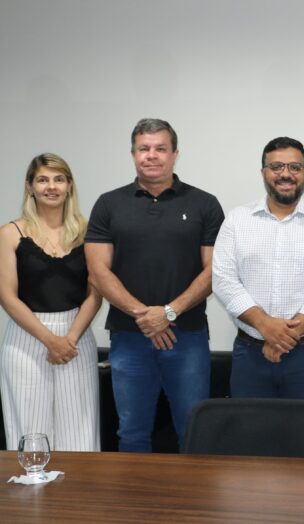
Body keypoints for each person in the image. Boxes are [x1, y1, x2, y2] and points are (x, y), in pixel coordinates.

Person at [85, 118, 225, 452]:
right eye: (144, 148)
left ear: (175, 153)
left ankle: (192, 491)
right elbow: (98, 271)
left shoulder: (204, 204)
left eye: (160, 148)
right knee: (131, 432)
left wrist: (169, 313)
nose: (152, 155)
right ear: (133, 154)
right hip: (129, 337)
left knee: (193, 430)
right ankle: (136, 491)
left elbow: (214, 270)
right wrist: (146, 316)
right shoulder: (108, 204)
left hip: (187, 335)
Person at [212, 137, 304, 410]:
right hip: (250, 354)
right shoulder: (237, 220)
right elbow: (224, 280)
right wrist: (265, 325)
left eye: (295, 167)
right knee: (249, 432)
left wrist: (282, 338)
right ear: (263, 172)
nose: (286, 174)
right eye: (276, 167)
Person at [0, 153, 101, 451]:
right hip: (26, 338)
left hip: (76, 337)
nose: (51, 187)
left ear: (69, 186)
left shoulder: (89, 233)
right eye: (42, 180)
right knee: (31, 429)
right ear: (29, 186)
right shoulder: (10, 234)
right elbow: (7, 296)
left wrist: (69, 339)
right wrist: (50, 340)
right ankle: (32, 483)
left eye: (59, 179)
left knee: (80, 431)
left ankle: (79, 485)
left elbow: (96, 292)